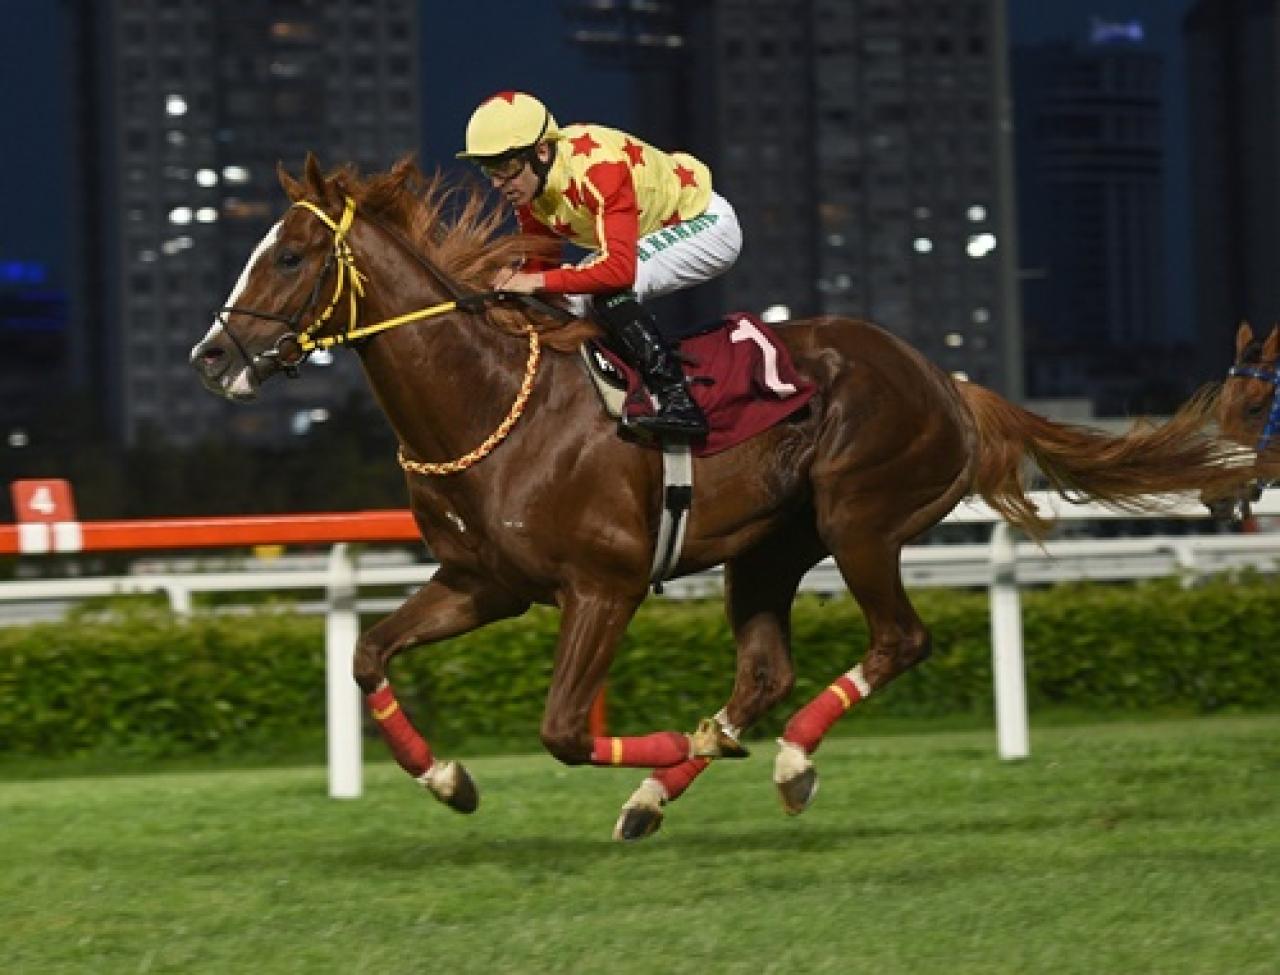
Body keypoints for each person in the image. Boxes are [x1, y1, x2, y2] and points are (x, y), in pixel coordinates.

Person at [457, 90, 743, 439]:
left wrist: (533, 283)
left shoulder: (599, 171)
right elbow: (540, 264)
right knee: (555, 305)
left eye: (505, 168)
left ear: (542, 151)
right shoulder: (530, 186)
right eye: (490, 170)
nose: (499, 184)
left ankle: (678, 402)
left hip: (705, 224)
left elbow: (619, 271)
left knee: (607, 293)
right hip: (647, 235)